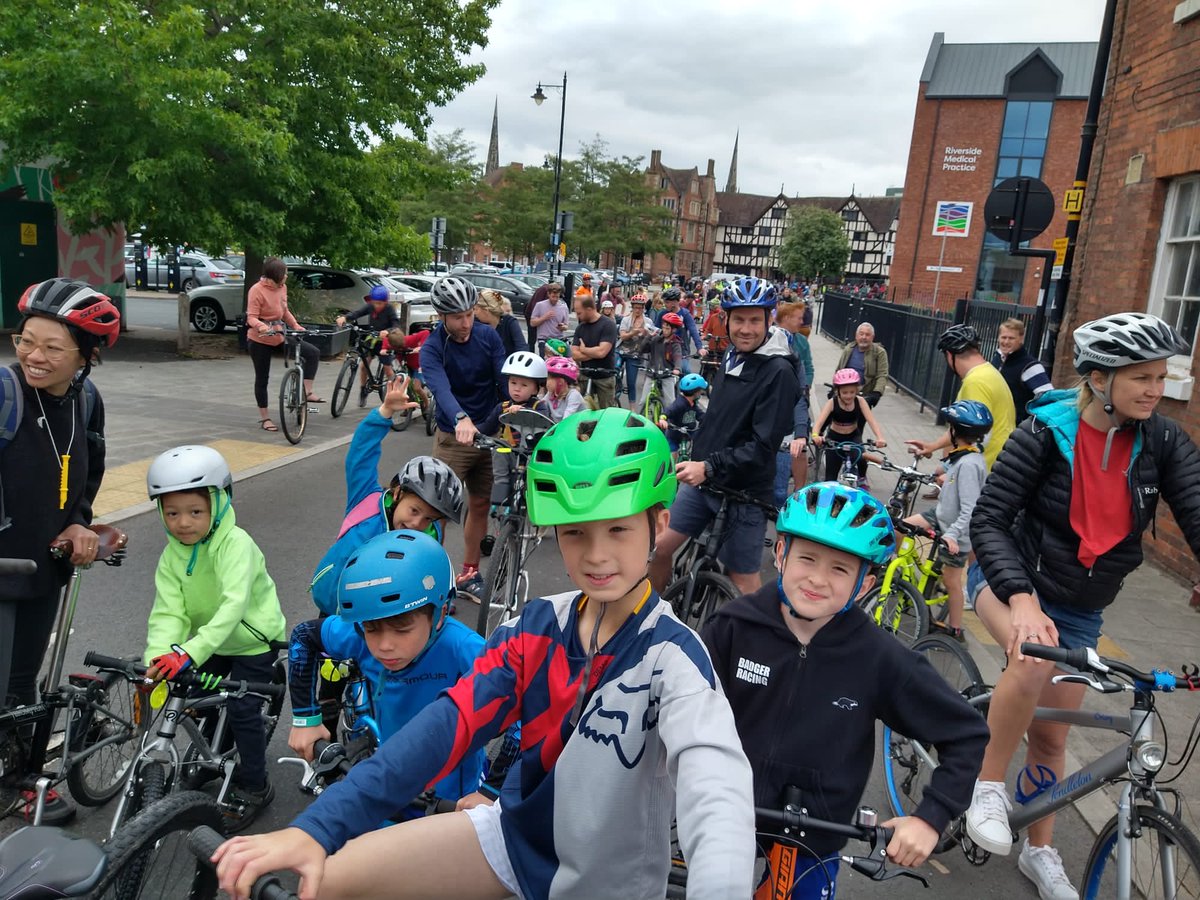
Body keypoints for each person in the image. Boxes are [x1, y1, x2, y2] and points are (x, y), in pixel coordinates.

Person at [214, 408, 756, 900]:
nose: (597, 556)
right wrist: (317, 827)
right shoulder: (537, 626)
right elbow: (447, 724)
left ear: (658, 524)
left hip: (606, 884)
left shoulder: (674, 658)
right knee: (325, 878)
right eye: (574, 533)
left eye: (618, 529)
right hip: (508, 841)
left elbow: (718, 792)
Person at [964, 312, 1200, 899]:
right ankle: (988, 787)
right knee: (1032, 659)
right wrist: (1020, 598)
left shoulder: (1164, 442)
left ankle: (1039, 850)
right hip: (1007, 582)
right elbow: (989, 520)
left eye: (1162, 376)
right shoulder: (1043, 433)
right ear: (1099, 378)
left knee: (1051, 737)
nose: (1156, 389)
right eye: (1142, 377)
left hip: (1079, 609)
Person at [702, 482, 988, 900]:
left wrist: (930, 818)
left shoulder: (877, 656)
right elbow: (680, 707)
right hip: (720, 812)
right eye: (807, 558)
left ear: (865, 581)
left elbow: (965, 733)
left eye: (839, 568)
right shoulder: (734, 627)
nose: (818, 579)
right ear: (780, 554)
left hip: (812, 834)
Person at [1, 278, 119, 825]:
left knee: (24, 685)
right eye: (26, 340)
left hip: (43, 571)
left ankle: (22, 780)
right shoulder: (4, 397)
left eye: (53, 347)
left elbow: (84, 482)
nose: (34, 356)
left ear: (86, 356)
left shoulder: (85, 404)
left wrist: (78, 526)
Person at [290, 529, 503, 812]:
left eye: (402, 629)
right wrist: (305, 718)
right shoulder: (358, 634)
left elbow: (524, 721)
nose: (384, 646)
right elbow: (304, 636)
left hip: (453, 795)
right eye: (371, 629)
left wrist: (492, 792)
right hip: (393, 777)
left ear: (440, 613)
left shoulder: (464, 649)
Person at [143, 444, 288, 830]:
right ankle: (212, 757)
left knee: (243, 710)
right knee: (196, 699)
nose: (183, 523)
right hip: (209, 643)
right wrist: (160, 655)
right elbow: (169, 612)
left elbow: (233, 606)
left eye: (195, 511)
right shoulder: (171, 555)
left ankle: (256, 784)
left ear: (219, 504)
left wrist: (190, 650)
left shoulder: (236, 544)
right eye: (171, 512)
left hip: (253, 640)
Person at [649, 277, 799, 597]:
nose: (746, 329)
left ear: (769, 319)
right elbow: (719, 418)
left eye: (755, 320)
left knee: (742, 581)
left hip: (745, 494)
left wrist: (708, 466)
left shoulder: (779, 372)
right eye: (739, 319)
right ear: (727, 319)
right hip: (706, 480)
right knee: (659, 547)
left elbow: (762, 447)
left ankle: (755, 644)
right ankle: (650, 618)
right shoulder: (733, 354)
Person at [309, 377, 464, 617]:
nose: (417, 524)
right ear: (399, 492)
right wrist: (385, 412)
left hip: (381, 622)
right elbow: (361, 455)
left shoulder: (429, 536)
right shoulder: (368, 501)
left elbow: (431, 576)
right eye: (414, 510)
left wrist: (443, 599)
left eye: (428, 519)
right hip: (334, 610)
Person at [420, 276, 508, 592]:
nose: (466, 322)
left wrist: (514, 399)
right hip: (453, 438)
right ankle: (431, 579)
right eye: (458, 317)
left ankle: (470, 574)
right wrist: (461, 418)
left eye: (469, 314)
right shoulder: (432, 348)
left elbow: (503, 379)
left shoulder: (487, 337)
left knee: (481, 504)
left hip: (488, 434)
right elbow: (441, 389)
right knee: (438, 510)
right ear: (442, 316)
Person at [903, 400, 991, 642]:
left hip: (957, 531)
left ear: (954, 431)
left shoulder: (970, 465)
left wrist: (953, 534)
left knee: (952, 580)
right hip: (941, 515)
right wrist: (933, 470)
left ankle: (955, 629)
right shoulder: (963, 455)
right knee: (901, 526)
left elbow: (971, 508)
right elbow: (948, 466)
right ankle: (893, 573)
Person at [906, 324, 1015, 472]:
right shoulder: (989, 373)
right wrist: (933, 445)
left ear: (950, 355)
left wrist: (951, 469)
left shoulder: (976, 382)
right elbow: (963, 428)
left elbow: (979, 434)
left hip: (984, 468)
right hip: (998, 463)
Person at [246, 257, 321, 431]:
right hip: (260, 339)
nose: (287, 276)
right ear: (276, 275)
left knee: (312, 353)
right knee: (262, 378)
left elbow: (284, 311)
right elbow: (251, 317)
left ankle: (307, 392)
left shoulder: (282, 288)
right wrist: (261, 326)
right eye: (285, 273)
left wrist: (295, 325)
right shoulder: (256, 290)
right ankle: (265, 419)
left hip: (280, 334)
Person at [489, 351, 551, 512]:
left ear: (536, 388)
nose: (517, 389)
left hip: (531, 453)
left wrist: (523, 411)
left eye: (524, 385)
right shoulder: (502, 407)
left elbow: (546, 424)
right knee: (498, 447)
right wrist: (475, 434)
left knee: (537, 478)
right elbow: (486, 427)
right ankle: (501, 490)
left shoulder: (540, 406)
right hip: (510, 450)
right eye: (513, 383)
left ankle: (536, 506)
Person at [812, 369, 887, 483]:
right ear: (838, 391)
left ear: (857, 390)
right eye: (845, 392)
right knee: (830, 477)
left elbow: (871, 421)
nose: (849, 396)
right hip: (834, 438)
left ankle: (862, 481)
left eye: (852, 392)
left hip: (853, 437)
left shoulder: (860, 401)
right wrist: (815, 435)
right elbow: (819, 423)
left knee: (862, 458)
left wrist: (880, 437)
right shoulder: (832, 403)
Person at [773, 300, 815, 501]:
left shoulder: (800, 342)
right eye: (799, 318)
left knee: (799, 446)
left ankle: (799, 492)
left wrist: (803, 387)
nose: (802, 321)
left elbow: (808, 367)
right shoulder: (768, 339)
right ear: (787, 318)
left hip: (795, 404)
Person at [336, 284, 403, 404]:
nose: (377, 306)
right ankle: (363, 390)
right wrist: (345, 318)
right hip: (371, 339)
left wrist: (387, 331)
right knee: (363, 365)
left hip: (384, 342)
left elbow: (396, 325)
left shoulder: (389, 309)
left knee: (387, 368)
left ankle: (394, 392)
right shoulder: (370, 307)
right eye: (375, 303)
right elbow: (358, 313)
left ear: (385, 302)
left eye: (380, 303)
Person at [992, 317, 1051, 422]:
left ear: (1021, 339)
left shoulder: (1030, 366)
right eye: (1003, 337)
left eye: (1011, 338)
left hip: (1015, 429)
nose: (1006, 341)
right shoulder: (996, 359)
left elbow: (1048, 397)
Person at [570, 294, 620, 408]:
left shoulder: (608, 325)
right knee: (580, 410)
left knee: (606, 413)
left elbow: (602, 352)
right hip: (585, 375)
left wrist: (584, 350)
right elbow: (575, 354)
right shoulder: (580, 327)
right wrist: (595, 353)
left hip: (604, 376)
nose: (577, 316)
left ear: (589, 309)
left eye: (579, 312)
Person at [617, 294, 657, 407]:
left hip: (635, 354)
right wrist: (634, 332)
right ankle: (614, 396)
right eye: (636, 307)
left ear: (644, 308)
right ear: (632, 307)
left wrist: (648, 335)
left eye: (640, 307)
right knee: (613, 372)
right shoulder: (626, 320)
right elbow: (623, 336)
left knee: (631, 382)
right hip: (621, 350)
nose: (638, 310)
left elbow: (654, 336)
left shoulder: (648, 321)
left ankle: (632, 408)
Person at [834, 322, 888, 407]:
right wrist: (835, 388)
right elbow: (839, 370)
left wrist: (877, 392)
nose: (864, 337)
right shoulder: (848, 349)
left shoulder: (879, 352)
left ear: (872, 337)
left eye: (867, 335)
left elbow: (882, 375)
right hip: (845, 393)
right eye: (861, 334)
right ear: (856, 336)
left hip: (865, 395)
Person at [654, 287, 705, 374]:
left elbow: (693, 331)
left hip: (681, 350)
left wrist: (699, 348)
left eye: (667, 302)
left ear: (675, 302)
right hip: (664, 348)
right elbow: (655, 331)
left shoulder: (685, 314)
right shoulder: (662, 313)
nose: (664, 305)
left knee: (686, 371)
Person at [661, 372, 706, 460]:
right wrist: (663, 419)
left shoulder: (693, 404)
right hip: (674, 434)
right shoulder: (680, 404)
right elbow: (669, 410)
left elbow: (700, 415)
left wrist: (708, 420)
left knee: (699, 446)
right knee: (672, 458)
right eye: (700, 391)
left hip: (688, 433)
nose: (700, 394)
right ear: (695, 393)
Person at [473, 289, 528, 358]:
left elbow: (522, 348)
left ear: (486, 310)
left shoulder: (510, 322)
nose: (474, 313)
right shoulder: (475, 323)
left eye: (476, 309)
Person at [646, 311, 684, 408]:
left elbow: (678, 356)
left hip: (667, 375)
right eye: (663, 327)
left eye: (667, 328)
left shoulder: (675, 343)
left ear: (674, 330)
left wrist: (677, 368)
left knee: (670, 403)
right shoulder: (656, 339)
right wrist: (649, 336)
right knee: (643, 401)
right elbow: (642, 349)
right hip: (652, 373)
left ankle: (669, 422)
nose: (664, 330)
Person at [528, 282, 569, 356]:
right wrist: (544, 317)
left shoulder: (564, 307)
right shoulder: (540, 305)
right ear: (548, 294)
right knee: (546, 362)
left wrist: (563, 327)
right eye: (553, 296)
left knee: (564, 360)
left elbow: (566, 326)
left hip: (558, 339)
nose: (555, 299)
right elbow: (532, 323)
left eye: (557, 297)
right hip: (544, 339)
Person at [543, 355, 585, 422]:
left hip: (574, 429)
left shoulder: (573, 395)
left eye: (547, 379)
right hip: (559, 428)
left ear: (560, 381)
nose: (544, 382)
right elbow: (541, 407)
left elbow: (566, 420)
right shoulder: (551, 394)